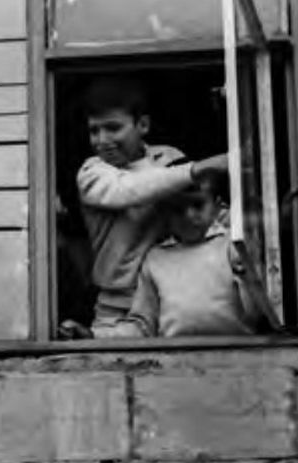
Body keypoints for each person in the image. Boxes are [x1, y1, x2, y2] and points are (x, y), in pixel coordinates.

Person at [69, 78, 228, 336]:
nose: (102, 140)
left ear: (142, 125)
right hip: (118, 308)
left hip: (175, 294)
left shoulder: (169, 158)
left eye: (113, 128)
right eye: (94, 130)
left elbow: (206, 207)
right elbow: (129, 190)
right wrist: (198, 169)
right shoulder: (92, 172)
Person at [91, 169, 276, 338]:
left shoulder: (232, 247)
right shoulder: (156, 258)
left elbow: (258, 314)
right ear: (165, 213)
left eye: (198, 205)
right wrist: (95, 336)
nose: (188, 215)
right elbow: (142, 326)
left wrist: (248, 270)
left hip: (240, 354)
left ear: (217, 207)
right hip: (175, 359)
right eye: (177, 208)